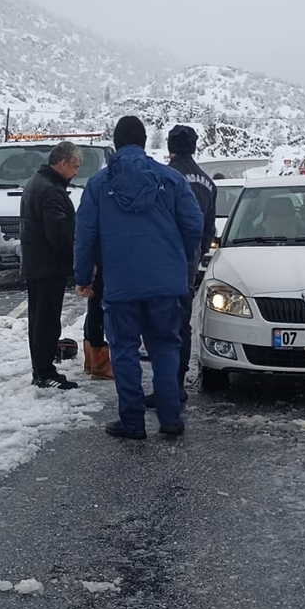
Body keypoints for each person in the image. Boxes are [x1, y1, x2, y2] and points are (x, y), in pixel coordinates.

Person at [74, 116, 203, 439]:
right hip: (164, 282)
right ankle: (170, 418)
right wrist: (181, 259)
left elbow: (85, 235)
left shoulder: (99, 185)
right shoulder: (170, 179)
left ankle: (132, 422)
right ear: (144, 142)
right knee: (165, 346)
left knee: (125, 350)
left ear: (116, 144)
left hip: (120, 284)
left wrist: (83, 275)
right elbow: (194, 225)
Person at [144, 124, 216, 410]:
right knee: (181, 323)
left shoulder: (165, 176)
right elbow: (208, 228)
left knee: (159, 323)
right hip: (189, 260)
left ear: (170, 148)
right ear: (194, 147)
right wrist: (196, 255)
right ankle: (178, 383)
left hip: (163, 259)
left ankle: (164, 387)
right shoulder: (209, 183)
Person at [20, 141, 82, 390]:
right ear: (63, 163)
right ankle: (44, 371)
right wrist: (77, 261)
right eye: (75, 166)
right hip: (47, 266)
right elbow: (59, 233)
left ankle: (41, 368)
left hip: (36, 264)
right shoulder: (50, 191)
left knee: (38, 320)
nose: (76, 172)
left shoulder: (37, 182)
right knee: (46, 321)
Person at [82, 264, 113, 380]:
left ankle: (92, 360)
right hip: (104, 261)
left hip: (97, 260)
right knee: (98, 307)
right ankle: (99, 364)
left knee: (95, 306)